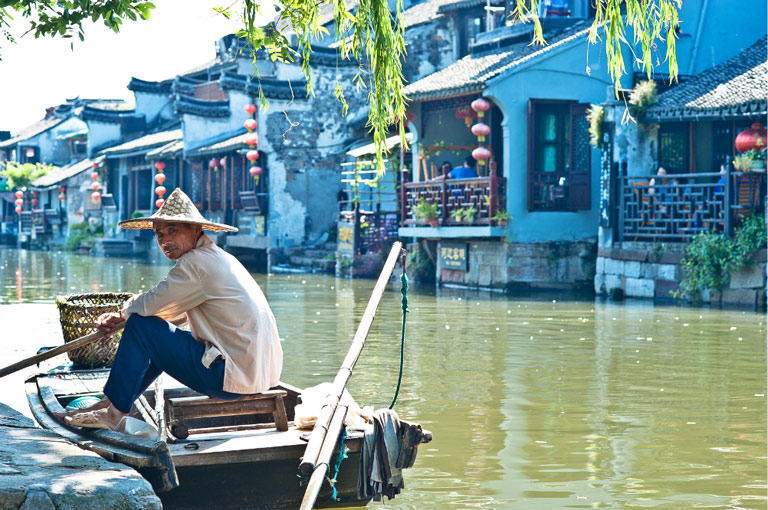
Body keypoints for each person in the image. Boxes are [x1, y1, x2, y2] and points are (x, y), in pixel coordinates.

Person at [58, 188, 283, 430]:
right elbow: (168, 314)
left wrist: (123, 313)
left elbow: (150, 304)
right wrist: (125, 317)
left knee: (141, 326)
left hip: (228, 378)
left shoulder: (195, 263)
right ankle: (110, 403)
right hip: (258, 377)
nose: (165, 240)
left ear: (195, 229)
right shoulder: (218, 257)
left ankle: (113, 414)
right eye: (159, 234)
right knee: (150, 332)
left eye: (173, 231)